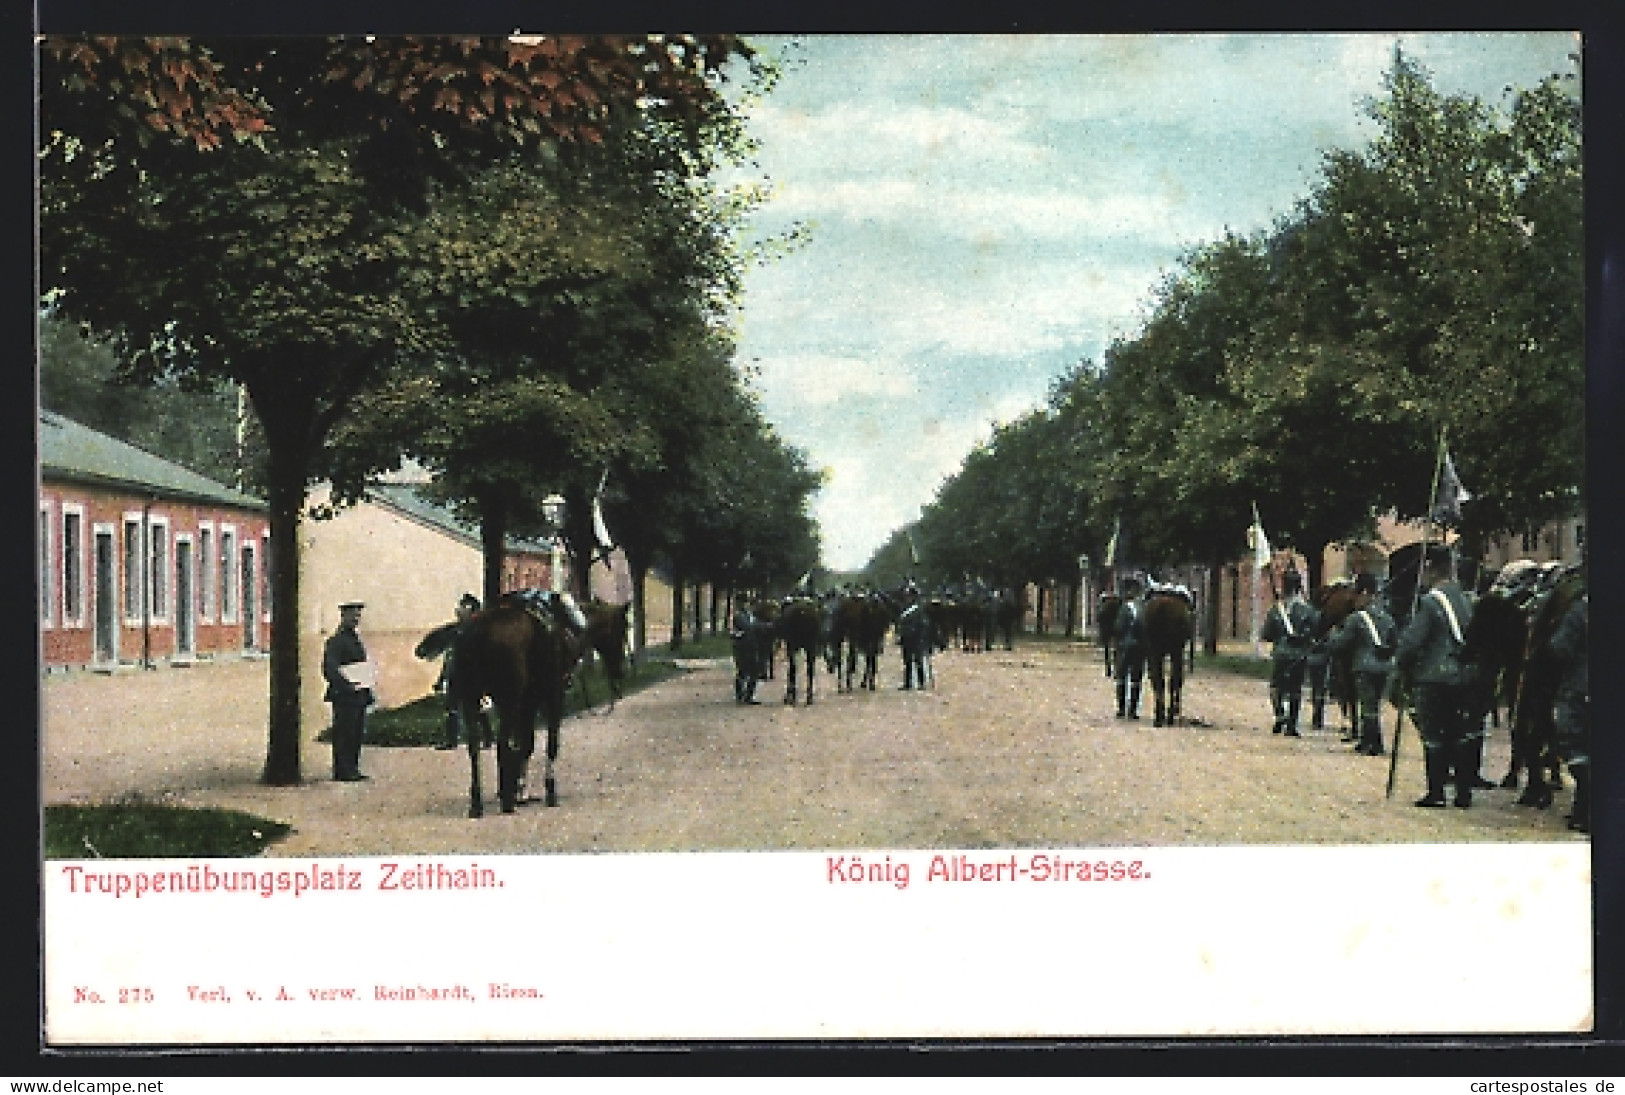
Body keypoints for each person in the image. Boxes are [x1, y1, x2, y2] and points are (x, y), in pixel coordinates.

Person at [1395, 545, 1478, 808]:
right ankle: (1464, 793)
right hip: (1464, 676)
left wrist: (1402, 664)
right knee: (1461, 733)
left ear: (1431, 568)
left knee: (1434, 735)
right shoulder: (1466, 599)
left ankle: (1437, 792)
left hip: (1434, 678)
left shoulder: (1431, 601)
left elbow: (1413, 642)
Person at [1327, 573, 1395, 756]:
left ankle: (1371, 742)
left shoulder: (1356, 619)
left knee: (1367, 705)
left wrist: (1332, 636)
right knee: (1374, 706)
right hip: (1384, 666)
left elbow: (1341, 644)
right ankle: (1373, 740)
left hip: (1364, 666)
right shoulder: (1387, 617)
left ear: (1364, 593)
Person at [1548, 585, 1588, 833]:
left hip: (1580, 688)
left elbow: (1558, 648)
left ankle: (1585, 812)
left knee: (1575, 745)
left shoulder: (1581, 610)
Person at [1261, 570, 1318, 737]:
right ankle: (1292, 724)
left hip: (1281, 653)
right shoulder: (1308, 611)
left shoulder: (1276, 610)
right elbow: (1313, 632)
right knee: (1295, 689)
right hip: (1299, 654)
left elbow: (1267, 634)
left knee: (1275, 688)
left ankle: (1280, 715)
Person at [322, 600, 373, 782]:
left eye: (358, 616)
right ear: (343, 617)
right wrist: (346, 684)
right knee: (344, 733)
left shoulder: (355, 640)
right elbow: (329, 668)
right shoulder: (336, 641)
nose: (356, 619)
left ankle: (352, 768)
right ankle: (342, 770)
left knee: (356, 733)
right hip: (344, 695)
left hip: (358, 694)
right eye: (352, 615)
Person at [434, 593, 491, 750]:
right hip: (455, 676)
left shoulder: (479, 630)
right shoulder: (456, 630)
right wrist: (441, 679)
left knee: (478, 708)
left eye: (462, 606)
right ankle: (451, 740)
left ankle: (486, 738)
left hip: (472, 677)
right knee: (451, 708)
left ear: (472, 610)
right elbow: (450, 657)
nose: (458, 610)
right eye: (459, 606)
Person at [1113, 576, 1147, 719]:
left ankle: (1123, 709)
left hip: (1125, 647)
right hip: (1138, 646)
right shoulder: (1142, 608)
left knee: (1123, 677)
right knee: (1135, 679)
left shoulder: (1123, 609)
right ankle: (1131, 710)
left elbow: (1118, 627)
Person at [897, 585, 932, 690]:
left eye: (910, 595)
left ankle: (921, 683)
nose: (908, 597)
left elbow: (924, 624)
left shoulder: (919, 609)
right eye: (907, 596)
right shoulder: (904, 608)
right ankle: (908, 683)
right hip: (906, 638)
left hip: (916, 638)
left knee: (918, 661)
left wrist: (921, 636)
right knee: (907, 661)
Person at [731, 600, 763, 704]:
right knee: (742, 671)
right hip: (743, 647)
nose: (746, 605)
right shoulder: (739, 616)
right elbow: (748, 627)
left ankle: (748, 696)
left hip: (752, 647)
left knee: (753, 672)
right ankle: (741, 695)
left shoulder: (751, 616)